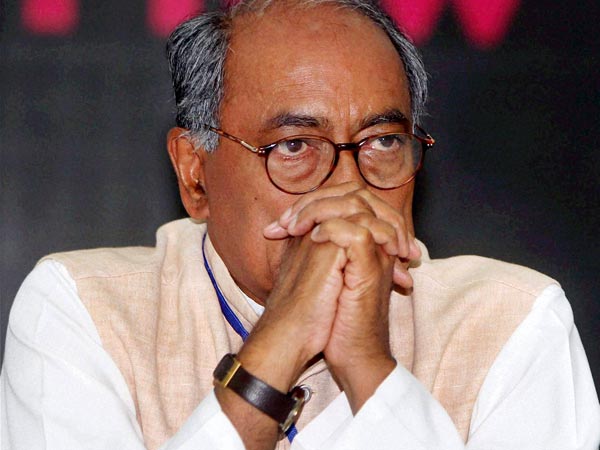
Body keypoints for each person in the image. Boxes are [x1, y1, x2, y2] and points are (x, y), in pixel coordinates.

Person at [2, 0, 599, 449]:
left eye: (383, 141)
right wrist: (281, 339)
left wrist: (369, 368)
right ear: (195, 173)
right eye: (293, 146)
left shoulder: (509, 321)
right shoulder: (88, 310)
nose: (347, 190)